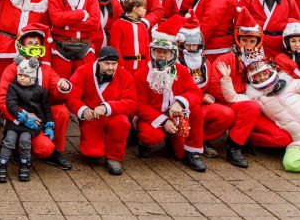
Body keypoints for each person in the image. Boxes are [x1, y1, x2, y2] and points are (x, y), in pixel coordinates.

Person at [205, 7, 292, 149]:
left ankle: (244, 137)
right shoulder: (225, 59)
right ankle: (234, 146)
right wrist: (241, 96)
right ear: (238, 40)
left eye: (252, 41)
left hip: (255, 107)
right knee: (250, 107)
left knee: (283, 138)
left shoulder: (262, 61)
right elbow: (214, 87)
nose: (248, 45)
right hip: (230, 104)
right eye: (244, 40)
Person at [175, 15, 253, 168]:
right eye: (188, 45)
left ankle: (201, 141)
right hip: (179, 107)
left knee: (226, 114)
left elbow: (210, 86)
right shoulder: (176, 61)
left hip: (199, 105)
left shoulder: (205, 63)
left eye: (195, 45)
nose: (192, 48)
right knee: (178, 151)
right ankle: (180, 143)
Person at [0, 25, 73, 170]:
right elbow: (1, 99)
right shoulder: (12, 69)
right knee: (43, 148)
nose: (34, 46)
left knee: (61, 111)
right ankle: (17, 145)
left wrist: (63, 86)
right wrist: (21, 115)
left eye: (37, 43)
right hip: (18, 116)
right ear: (22, 45)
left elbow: (56, 88)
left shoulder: (45, 69)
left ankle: (55, 151)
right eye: (30, 43)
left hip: (39, 115)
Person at [134, 29, 208, 172]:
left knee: (196, 111)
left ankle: (192, 152)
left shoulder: (181, 70)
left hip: (177, 115)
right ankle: (145, 144)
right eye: (157, 51)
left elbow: (195, 93)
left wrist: (180, 102)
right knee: (150, 136)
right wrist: (163, 120)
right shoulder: (142, 74)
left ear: (173, 54)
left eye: (165, 52)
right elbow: (138, 105)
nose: (161, 55)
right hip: (152, 117)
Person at [66, 46, 137, 175]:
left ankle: (114, 157)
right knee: (92, 153)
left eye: (114, 64)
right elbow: (71, 96)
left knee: (122, 123)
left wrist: (107, 107)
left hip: (114, 115)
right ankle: (99, 144)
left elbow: (131, 103)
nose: (111, 67)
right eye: (107, 63)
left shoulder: (124, 75)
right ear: (98, 61)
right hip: (92, 116)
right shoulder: (83, 71)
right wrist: (83, 110)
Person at [0, 55, 51, 182]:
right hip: (15, 121)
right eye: (20, 75)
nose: (22, 78)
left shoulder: (40, 90)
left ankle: (24, 165)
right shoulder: (13, 87)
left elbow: (46, 108)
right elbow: (10, 103)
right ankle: (2, 165)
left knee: (25, 141)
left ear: (32, 77)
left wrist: (49, 124)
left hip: (30, 126)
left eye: (25, 76)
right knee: (9, 140)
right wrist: (23, 116)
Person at [108, 0, 149, 72]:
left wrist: (147, 64)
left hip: (141, 66)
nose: (145, 10)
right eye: (143, 8)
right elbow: (115, 47)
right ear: (135, 9)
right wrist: (121, 64)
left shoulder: (142, 26)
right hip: (126, 66)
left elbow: (146, 47)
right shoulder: (118, 24)